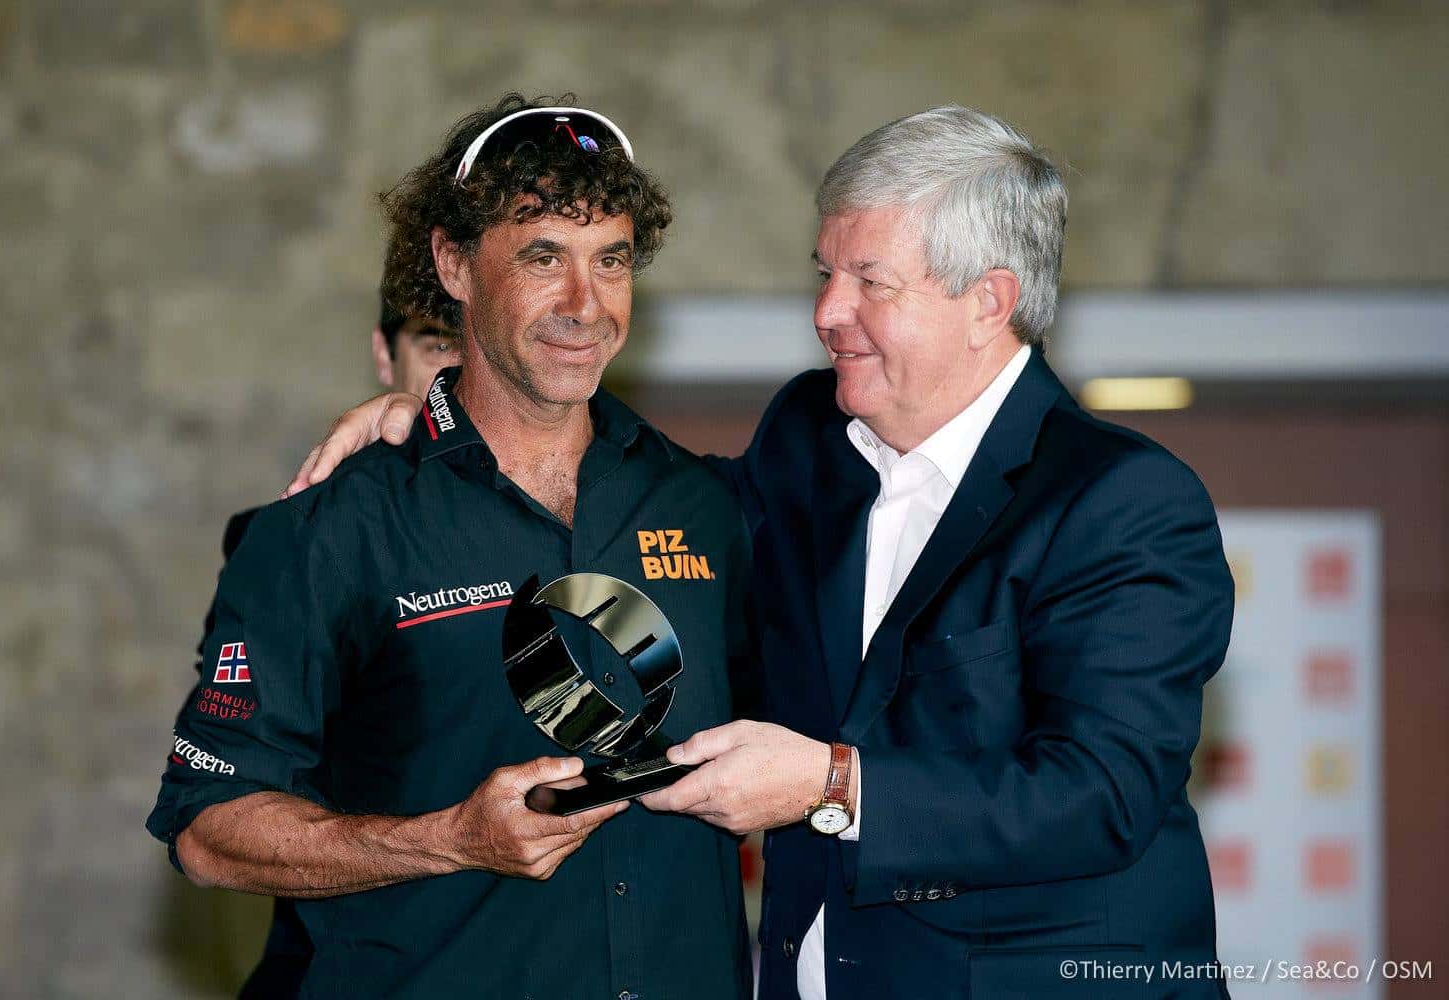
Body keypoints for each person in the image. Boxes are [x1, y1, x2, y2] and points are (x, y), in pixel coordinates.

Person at [283, 105, 1236, 999]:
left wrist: (831, 784)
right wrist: (450, 424)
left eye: (870, 282)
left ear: (988, 302)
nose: (827, 312)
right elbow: (633, 515)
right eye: (825, 273)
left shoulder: (1120, 501)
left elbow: (1102, 794)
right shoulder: (808, 439)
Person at [150, 94, 753, 999]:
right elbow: (208, 830)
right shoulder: (330, 528)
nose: (585, 305)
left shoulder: (706, 504)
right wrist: (448, 840)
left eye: (612, 260)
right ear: (454, 264)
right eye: (543, 257)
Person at [194, 293, 461, 995]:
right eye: (438, 343)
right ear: (384, 355)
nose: (463, 371)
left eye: (481, 346)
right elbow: (224, 816)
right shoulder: (303, 545)